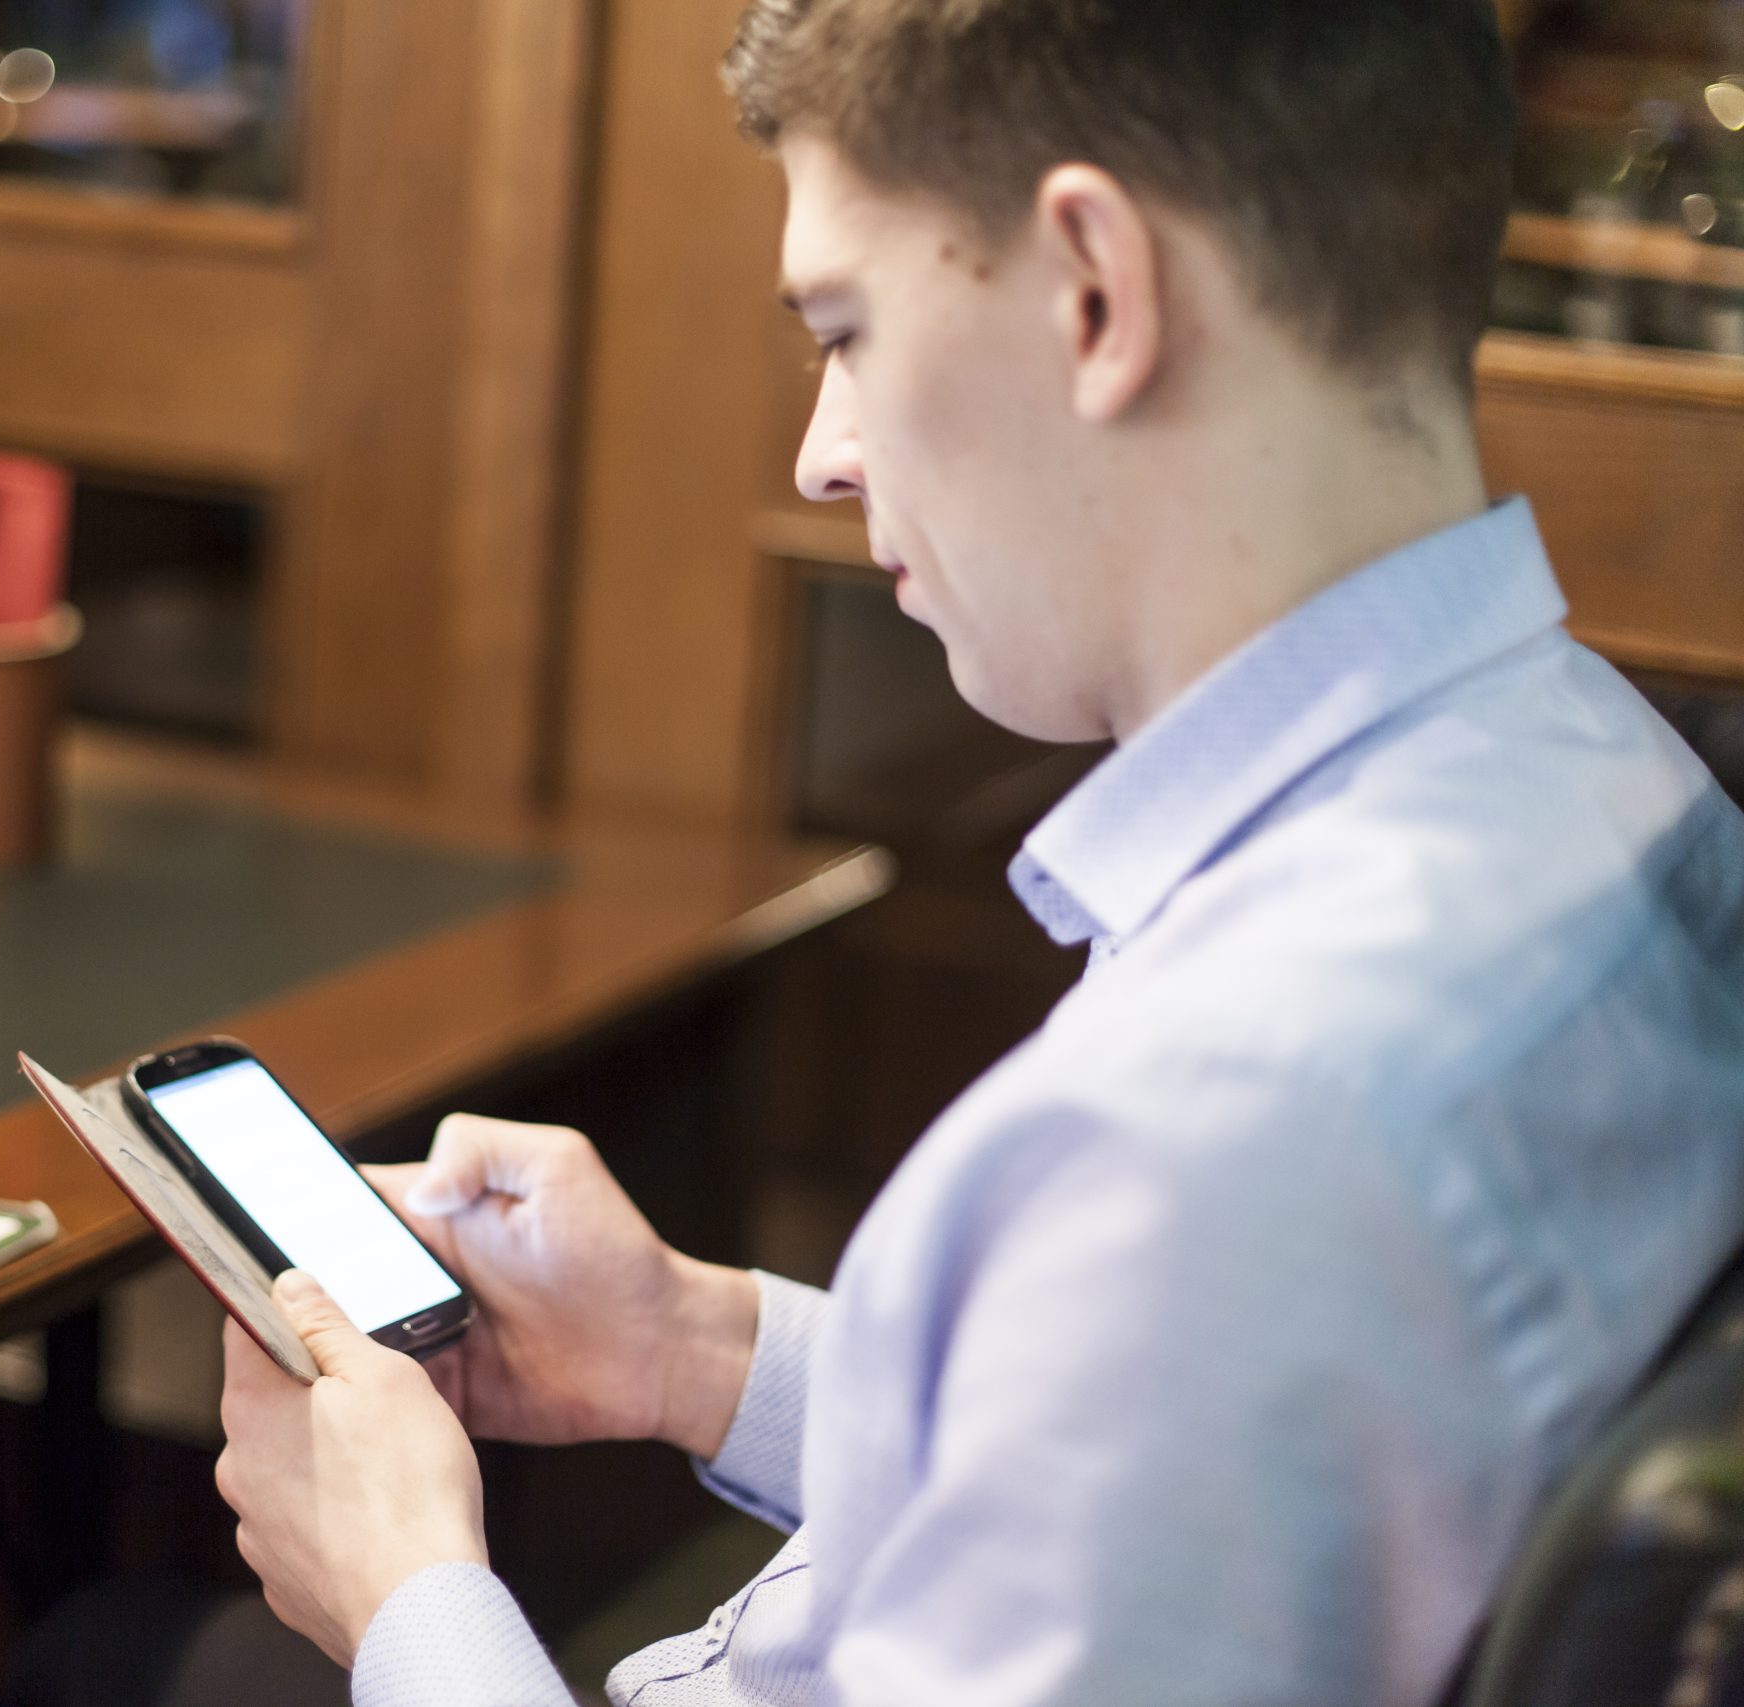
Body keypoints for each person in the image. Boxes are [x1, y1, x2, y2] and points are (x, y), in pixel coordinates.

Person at [209, 1, 1744, 1704]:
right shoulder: (1616, 783)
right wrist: (693, 1345)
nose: (823, 449)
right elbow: (1153, 1475)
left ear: (1096, 292)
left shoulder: (1213, 1142)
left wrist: (404, 1596)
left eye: (847, 329)